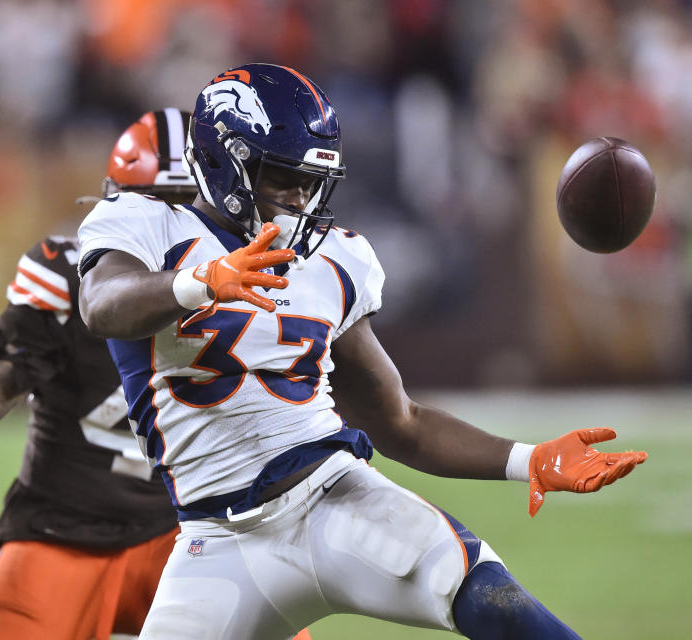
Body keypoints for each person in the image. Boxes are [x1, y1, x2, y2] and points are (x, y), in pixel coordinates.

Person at [76, 63, 649, 640]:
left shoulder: (335, 261)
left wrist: (531, 460)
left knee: (490, 596)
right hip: (216, 540)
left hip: (336, 501)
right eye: (284, 178)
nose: (301, 200)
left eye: (312, 183)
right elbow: (102, 304)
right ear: (228, 163)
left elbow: (401, 421)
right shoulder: (145, 223)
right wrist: (201, 280)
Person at [0, 109, 195, 640]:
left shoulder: (246, 279)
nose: (171, 225)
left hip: (189, 533)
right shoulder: (67, 279)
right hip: (63, 531)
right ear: (115, 201)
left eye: (187, 207)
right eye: (155, 205)